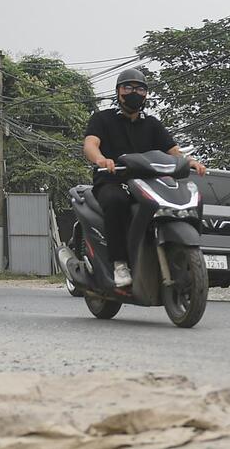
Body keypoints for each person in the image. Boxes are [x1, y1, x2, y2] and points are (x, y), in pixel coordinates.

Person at [82, 67, 207, 288]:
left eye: (140, 88)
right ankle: (119, 263)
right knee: (116, 201)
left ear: (146, 94)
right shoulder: (103, 119)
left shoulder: (152, 124)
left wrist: (190, 162)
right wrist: (101, 159)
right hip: (112, 180)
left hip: (147, 184)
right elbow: (90, 144)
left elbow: (173, 151)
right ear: (118, 91)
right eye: (128, 87)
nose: (134, 92)